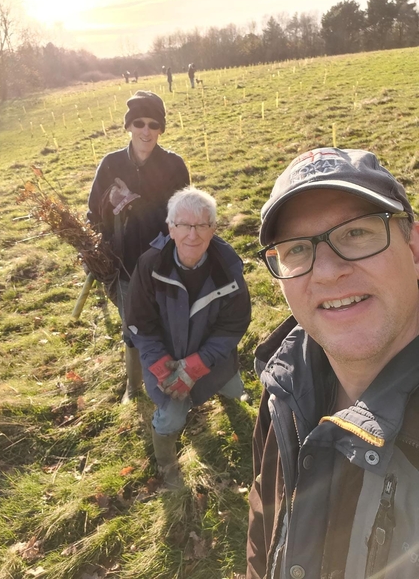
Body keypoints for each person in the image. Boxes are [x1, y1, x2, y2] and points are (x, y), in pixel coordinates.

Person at [246, 147, 419, 579]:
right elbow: (264, 527)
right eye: (297, 249)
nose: (325, 271)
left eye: (356, 233)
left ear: (414, 247)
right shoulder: (284, 389)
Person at [125, 187, 252, 488]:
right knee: (170, 417)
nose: (192, 234)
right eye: (183, 225)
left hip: (213, 359)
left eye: (201, 225)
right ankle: (167, 464)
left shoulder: (228, 269)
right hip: (166, 363)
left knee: (233, 388)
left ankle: (235, 404)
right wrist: (162, 367)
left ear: (213, 229)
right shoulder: (150, 265)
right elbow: (140, 324)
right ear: (170, 227)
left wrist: (198, 364)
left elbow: (233, 326)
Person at [87, 91, 190, 403]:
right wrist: (109, 206)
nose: (146, 130)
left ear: (161, 129)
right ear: (129, 126)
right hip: (122, 262)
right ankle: (134, 387)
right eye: (139, 123)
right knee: (131, 324)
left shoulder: (174, 165)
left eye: (154, 124)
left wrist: (140, 205)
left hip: (164, 261)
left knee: (167, 320)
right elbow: (93, 212)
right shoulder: (111, 164)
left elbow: (183, 214)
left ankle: (175, 380)